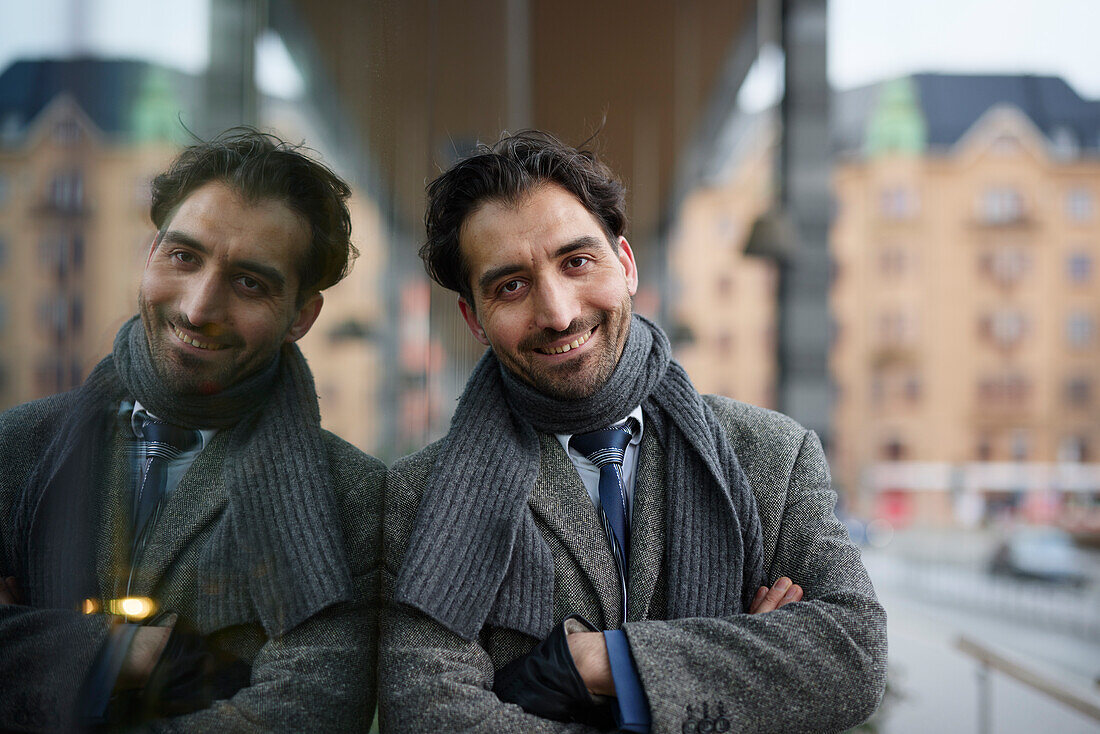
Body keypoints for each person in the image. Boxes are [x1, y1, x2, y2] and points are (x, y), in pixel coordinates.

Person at [380, 131, 887, 733]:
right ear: (474, 319)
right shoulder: (418, 498)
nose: (558, 312)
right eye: (510, 285)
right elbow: (431, 717)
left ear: (625, 264)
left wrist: (589, 662)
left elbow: (851, 654)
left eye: (577, 262)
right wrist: (744, 657)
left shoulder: (772, 455)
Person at [0, 129, 383, 731]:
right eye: (184, 256)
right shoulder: (15, 449)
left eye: (250, 283)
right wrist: (122, 653)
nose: (199, 308)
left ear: (301, 317)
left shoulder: (353, 498)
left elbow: (308, 715)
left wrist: (33, 646)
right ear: (150, 253)